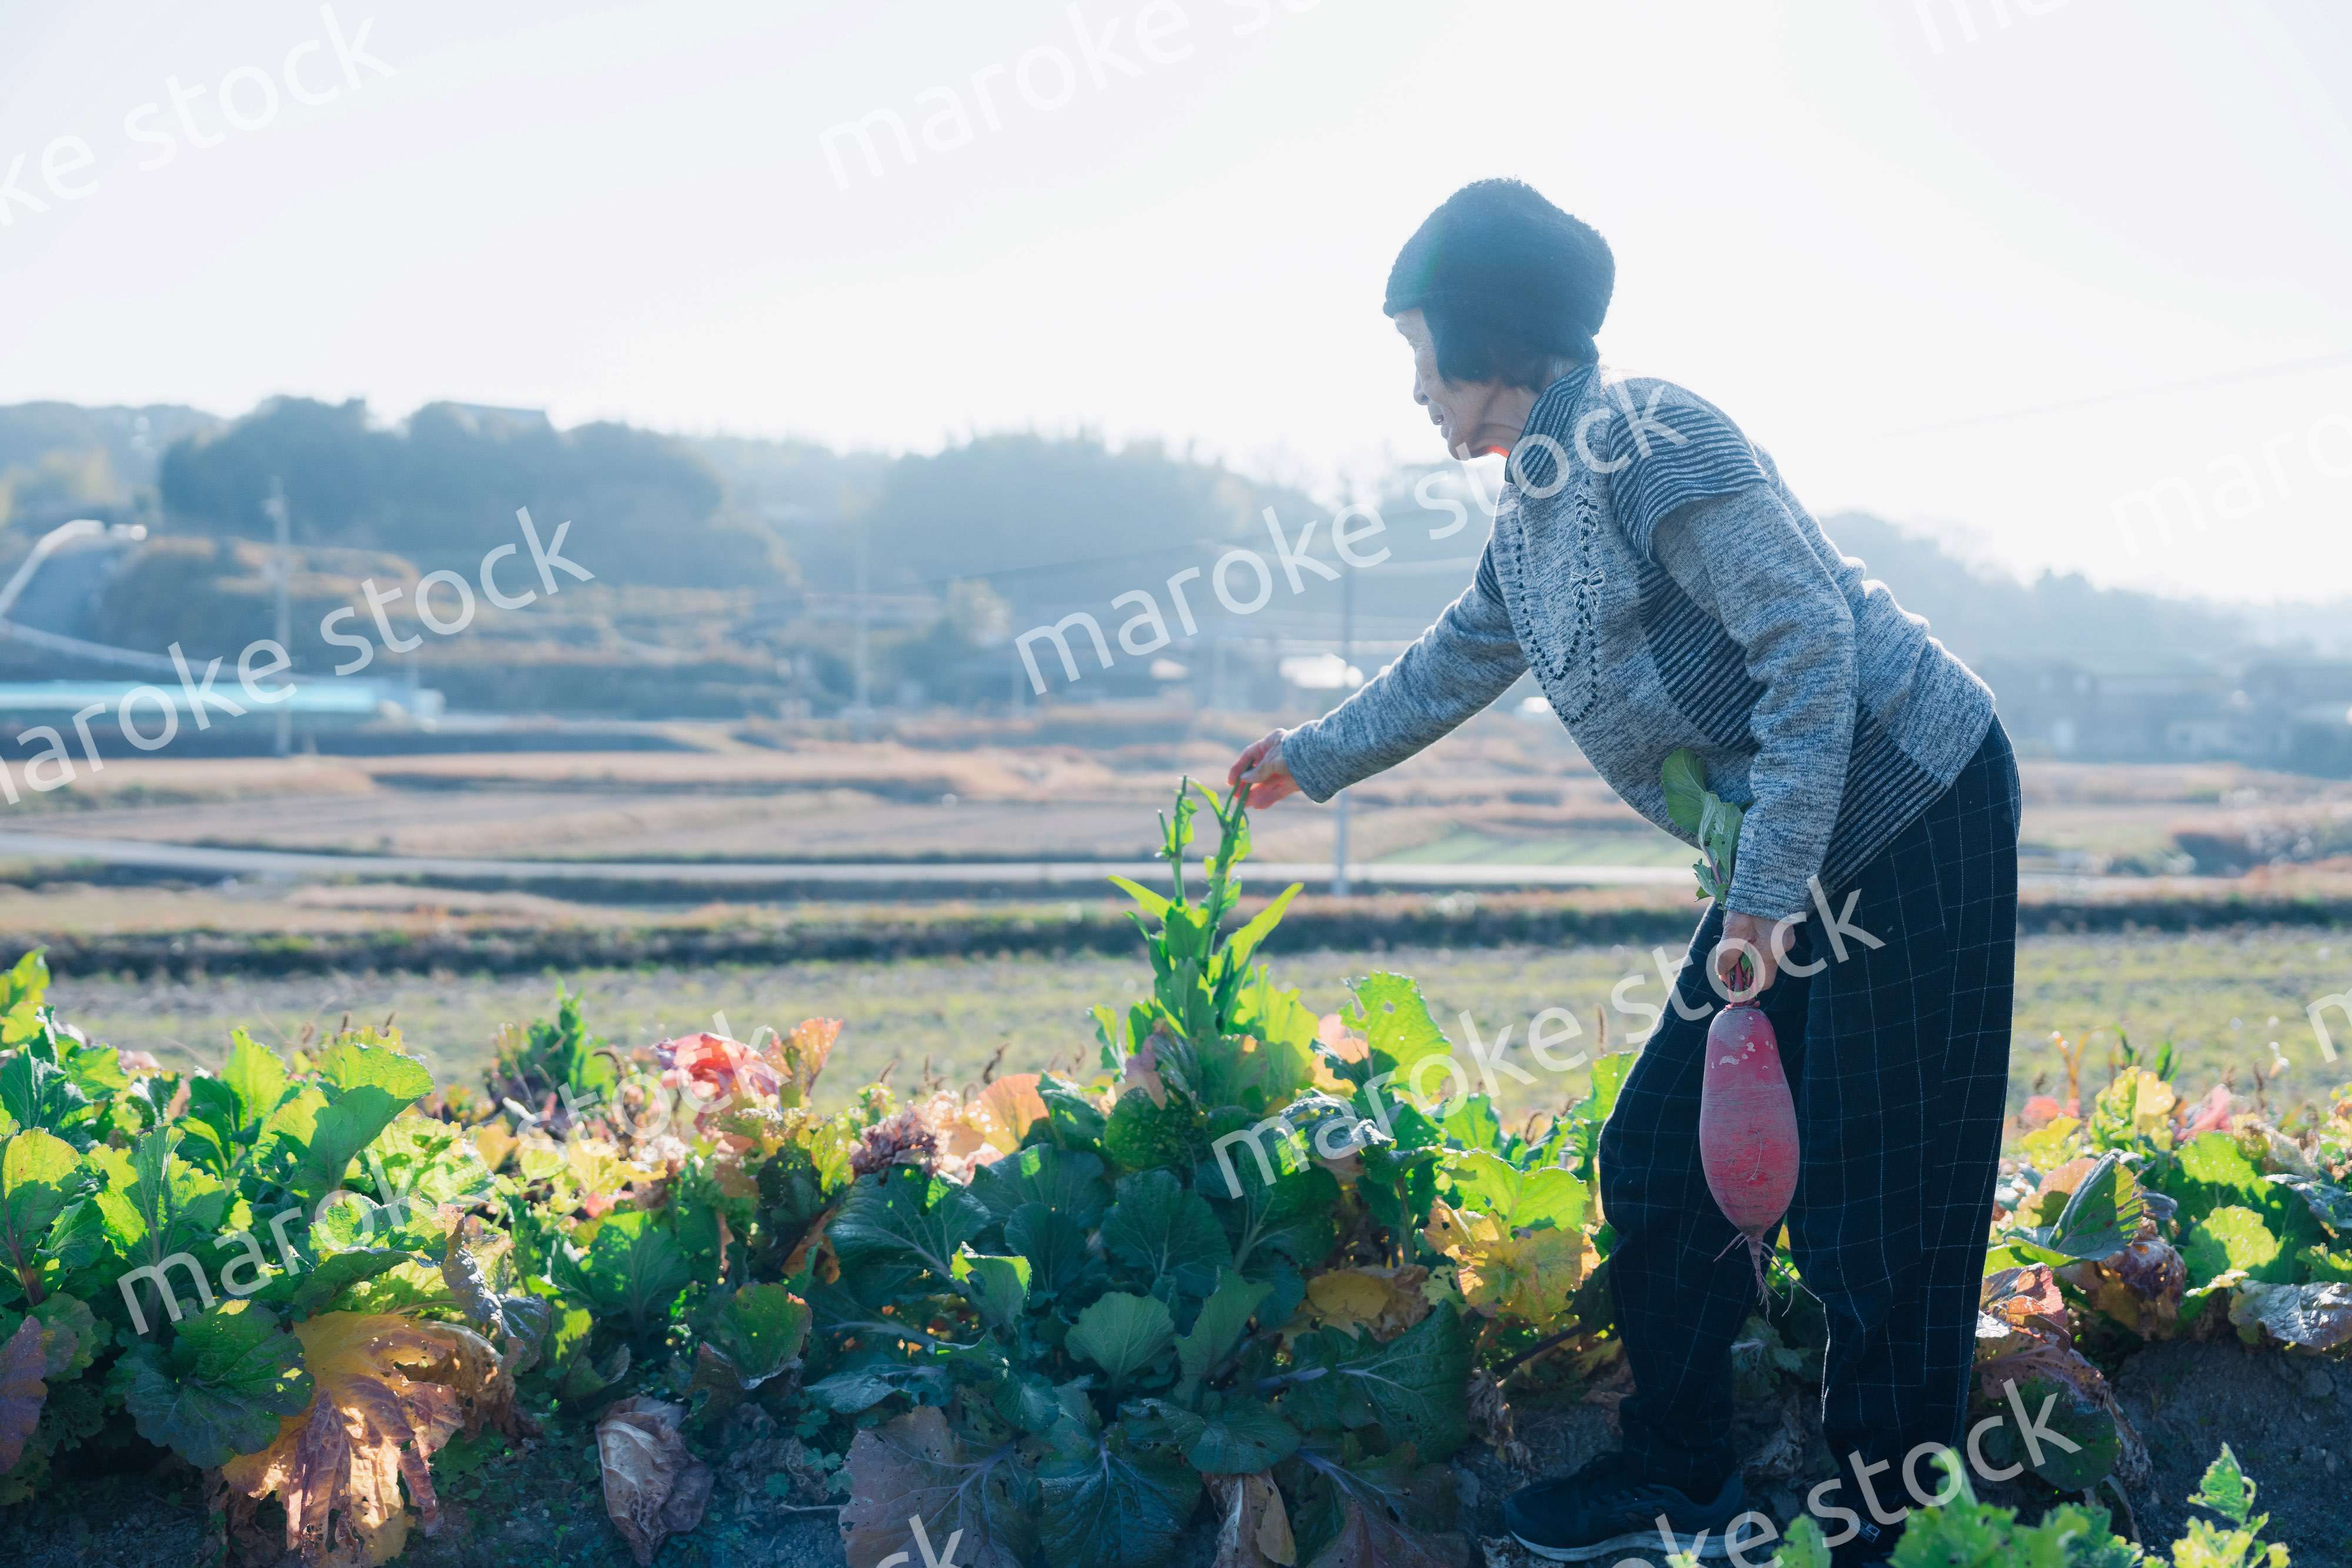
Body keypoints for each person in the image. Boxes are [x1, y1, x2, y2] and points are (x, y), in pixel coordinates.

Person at [1225, 179, 2017, 1567]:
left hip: (1908, 803)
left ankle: (1888, 1525)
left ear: (1497, 336)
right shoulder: (1533, 507)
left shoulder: (1650, 436)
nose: (1414, 389)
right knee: (1660, 1149)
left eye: (1423, 352)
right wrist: (1313, 753)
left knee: (1880, 1195)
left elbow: (1811, 648)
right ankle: (1674, 1464)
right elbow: (1459, 654)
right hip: (1791, 836)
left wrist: (1764, 899)